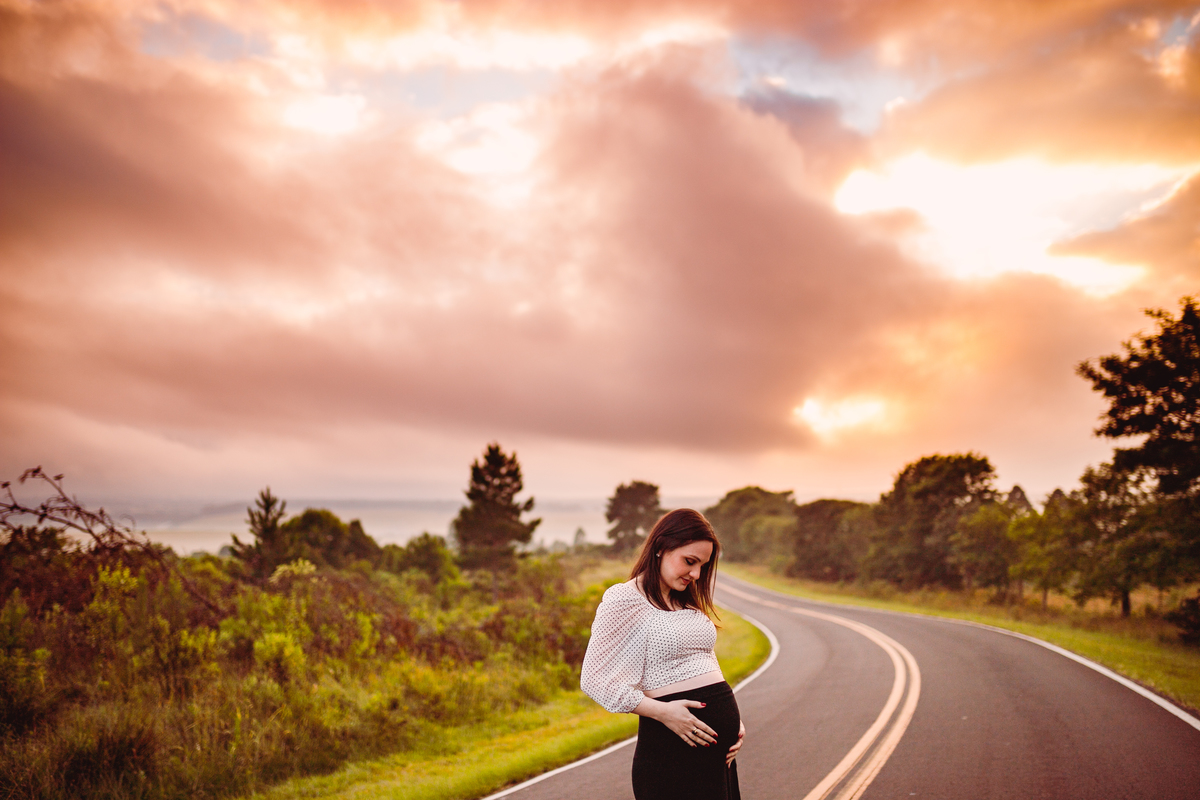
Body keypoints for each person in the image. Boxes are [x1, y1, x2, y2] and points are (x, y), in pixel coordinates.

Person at [581, 508, 745, 800]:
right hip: (672, 753)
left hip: (716, 755)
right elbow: (593, 680)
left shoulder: (685, 603)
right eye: (689, 562)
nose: (695, 574)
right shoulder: (624, 599)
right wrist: (665, 712)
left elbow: (703, 660)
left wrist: (735, 723)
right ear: (661, 548)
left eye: (702, 566)